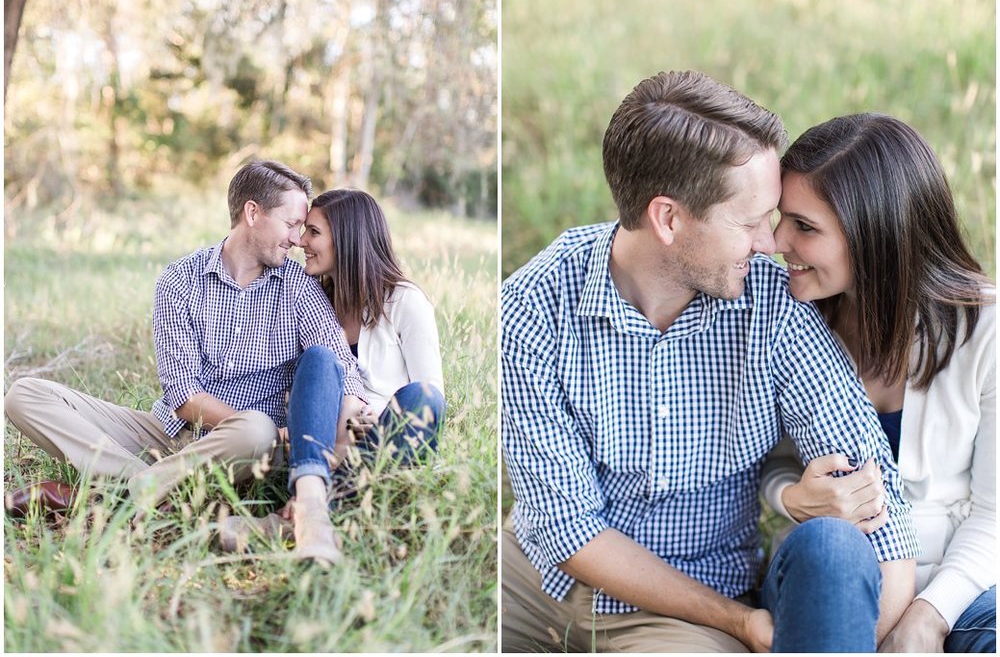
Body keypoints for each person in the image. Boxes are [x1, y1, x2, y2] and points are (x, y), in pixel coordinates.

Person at [501, 70, 920, 653]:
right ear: (668, 219)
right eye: (748, 222)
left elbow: (880, 512)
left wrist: (826, 633)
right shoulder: (532, 306)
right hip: (535, 579)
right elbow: (570, 531)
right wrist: (740, 622)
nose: (770, 243)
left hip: (688, 611)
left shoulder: (773, 304)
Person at [4, 160, 367, 564]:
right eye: (291, 224)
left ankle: (122, 495)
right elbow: (183, 396)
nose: (298, 240)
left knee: (257, 428)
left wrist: (328, 424)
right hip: (168, 431)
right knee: (24, 395)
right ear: (252, 213)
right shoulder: (180, 280)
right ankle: (154, 492)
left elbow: (340, 367)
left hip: (248, 445)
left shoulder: (298, 289)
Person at [761, 113, 995, 652]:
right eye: (780, 219)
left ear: (876, 235)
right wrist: (793, 497)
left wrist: (927, 617)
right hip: (835, 577)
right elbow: (768, 459)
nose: (776, 242)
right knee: (831, 554)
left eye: (804, 226)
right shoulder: (788, 319)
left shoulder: (987, 332)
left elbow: (994, 513)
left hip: (966, 585)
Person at [221, 188, 446, 556]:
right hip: (319, 443)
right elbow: (307, 384)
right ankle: (312, 502)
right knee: (321, 358)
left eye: (313, 232)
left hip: (377, 444)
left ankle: (296, 523)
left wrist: (372, 413)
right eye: (301, 230)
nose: (300, 241)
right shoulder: (313, 298)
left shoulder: (405, 302)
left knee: (422, 399)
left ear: (347, 239)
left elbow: (431, 400)